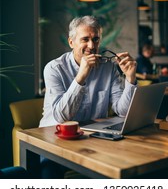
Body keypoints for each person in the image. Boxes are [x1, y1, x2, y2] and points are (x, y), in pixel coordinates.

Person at [39, 15, 137, 178]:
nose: (92, 46)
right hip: (54, 139)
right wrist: (81, 76)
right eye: (85, 39)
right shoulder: (54, 68)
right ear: (71, 42)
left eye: (96, 39)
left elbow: (123, 110)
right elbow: (62, 116)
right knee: (49, 172)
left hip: (93, 140)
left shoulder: (108, 67)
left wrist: (130, 79)